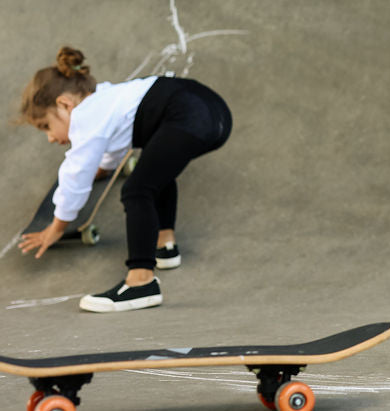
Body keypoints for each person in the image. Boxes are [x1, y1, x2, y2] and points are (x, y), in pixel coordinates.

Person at [18, 47, 232, 313]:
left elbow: (75, 175)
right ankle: (164, 245)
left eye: (46, 126)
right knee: (156, 171)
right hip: (213, 112)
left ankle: (141, 282)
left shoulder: (85, 116)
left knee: (137, 190)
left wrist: (58, 226)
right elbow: (113, 141)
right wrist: (105, 169)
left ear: (64, 105)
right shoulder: (107, 99)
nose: (50, 137)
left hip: (188, 113)